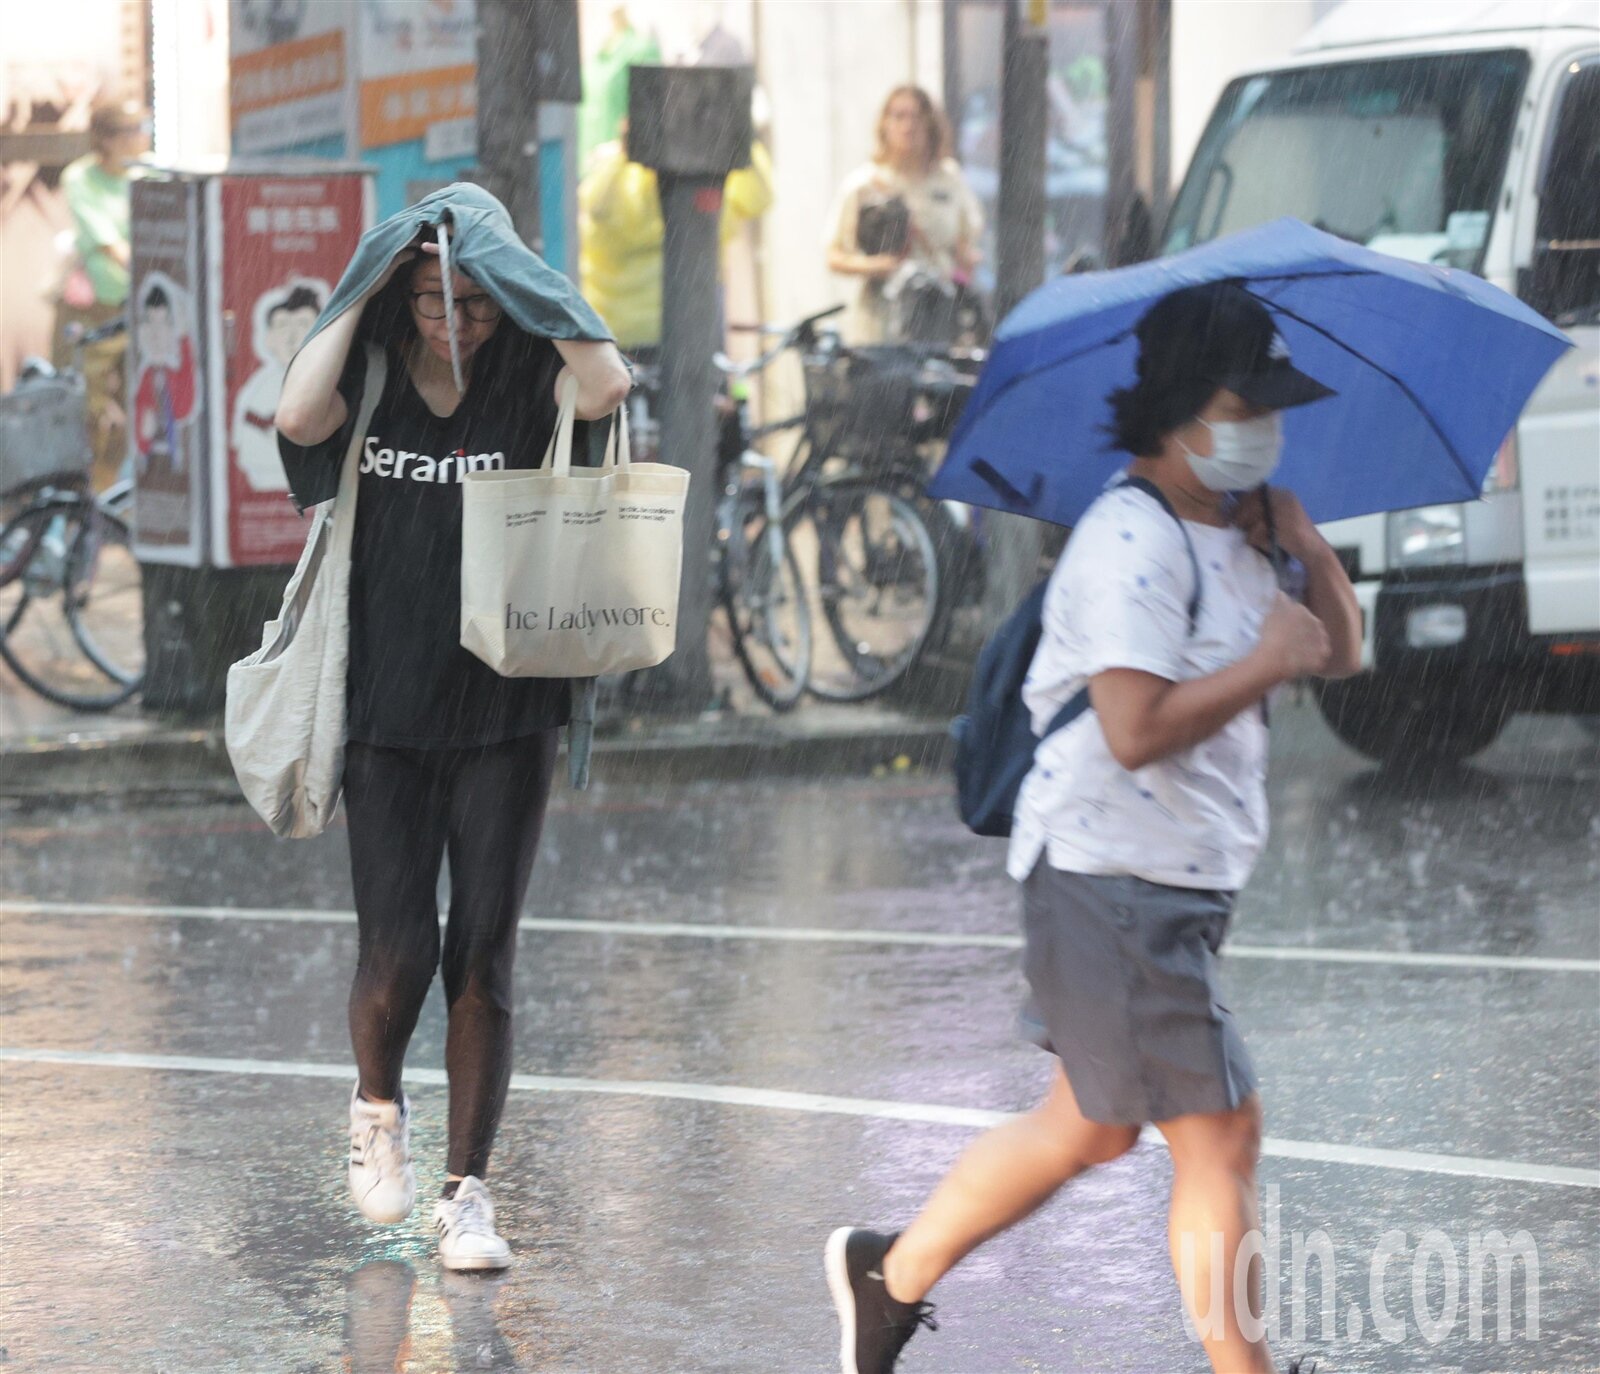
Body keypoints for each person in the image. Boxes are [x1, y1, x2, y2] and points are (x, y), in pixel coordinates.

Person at [825, 281, 1361, 1374]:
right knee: (1221, 1133)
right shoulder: (1130, 539)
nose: (1261, 426)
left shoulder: (1246, 528)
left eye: (1269, 406)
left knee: (1087, 1127)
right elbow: (1130, 727)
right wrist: (1264, 660)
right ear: (1175, 411)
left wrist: (1309, 547)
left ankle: (891, 1276)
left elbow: (1340, 654)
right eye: (1239, 406)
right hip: (1111, 874)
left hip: (1168, 878)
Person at [274, 185, 630, 1272]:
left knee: (483, 955)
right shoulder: (373, 370)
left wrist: (510, 267)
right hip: (382, 710)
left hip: (507, 703)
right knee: (398, 951)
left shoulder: (533, 376)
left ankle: (466, 1195)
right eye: (433, 297)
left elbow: (608, 377)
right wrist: (372, 274)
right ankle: (376, 1106)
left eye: (475, 300)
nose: (455, 319)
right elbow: (295, 419)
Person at [578, 132, 774, 355]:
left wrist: (739, 136)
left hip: (692, 325)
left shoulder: (710, 171)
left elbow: (759, 199)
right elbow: (598, 206)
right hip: (632, 334)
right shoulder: (622, 177)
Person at [824, 86, 985, 344]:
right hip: (883, 319)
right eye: (899, 116)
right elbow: (834, 255)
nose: (908, 126)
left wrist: (964, 268)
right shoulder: (865, 184)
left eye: (917, 117)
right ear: (885, 124)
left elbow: (966, 246)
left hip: (937, 316)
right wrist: (881, 266)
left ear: (931, 124)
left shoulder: (948, 179)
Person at [58, 100, 148, 490]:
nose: (141, 135)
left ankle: (111, 494)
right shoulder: (80, 177)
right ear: (106, 138)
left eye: (142, 126)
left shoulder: (148, 173)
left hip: (141, 311)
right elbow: (108, 242)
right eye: (131, 128)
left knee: (138, 407)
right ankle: (85, 496)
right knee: (91, 410)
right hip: (97, 310)